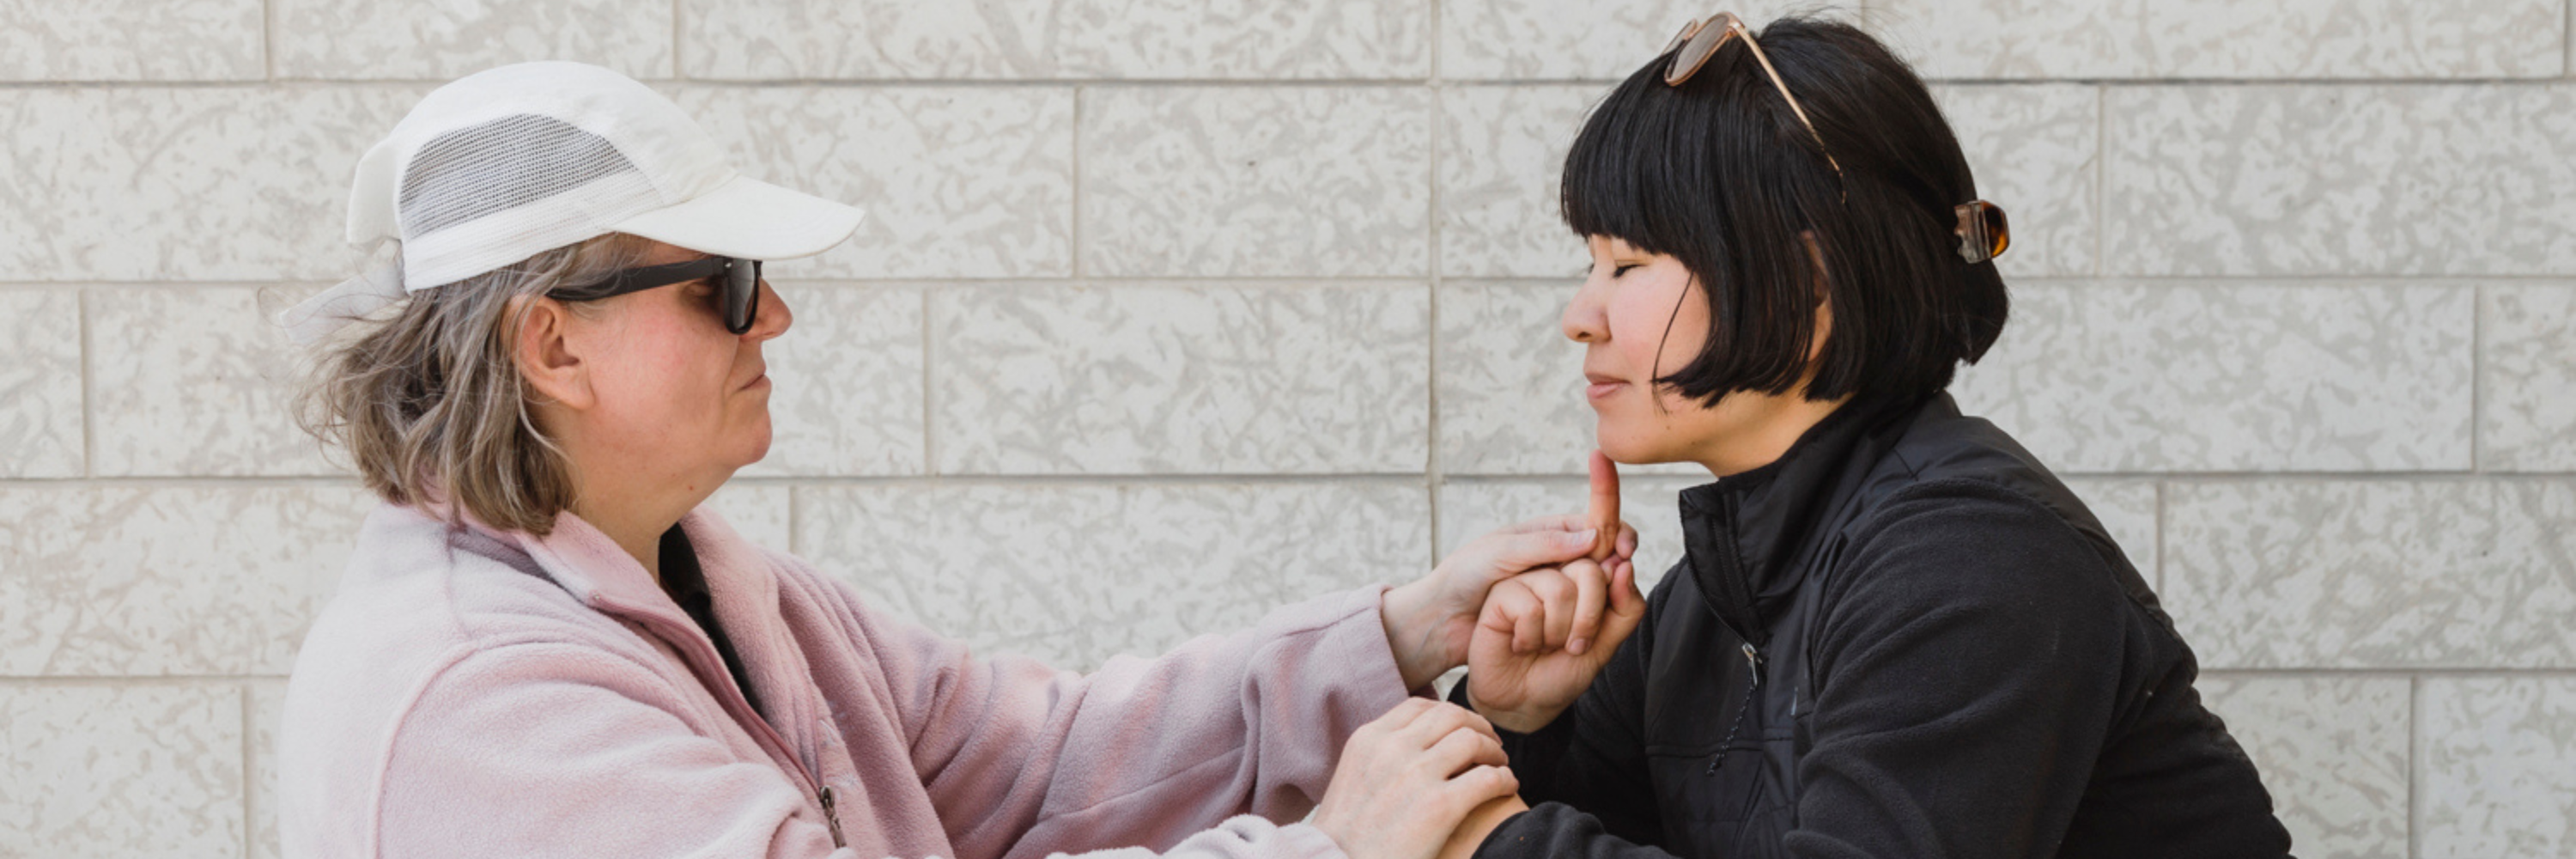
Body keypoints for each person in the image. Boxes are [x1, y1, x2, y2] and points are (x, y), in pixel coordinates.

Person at [272, 61, 1640, 859]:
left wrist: (1406, 634)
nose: (780, 316)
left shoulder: (732, 590)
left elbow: (1054, 758)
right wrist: (1334, 850)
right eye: (727, 283)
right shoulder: (480, 701)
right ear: (553, 350)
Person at [1437, 15, 2295, 857]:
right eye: (1588, 265)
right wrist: (1521, 722)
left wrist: (1476, 837)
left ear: (1805, 287)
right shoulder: (1703, 603)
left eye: (1627, 265)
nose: (1579, 317)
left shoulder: (1970, 559)